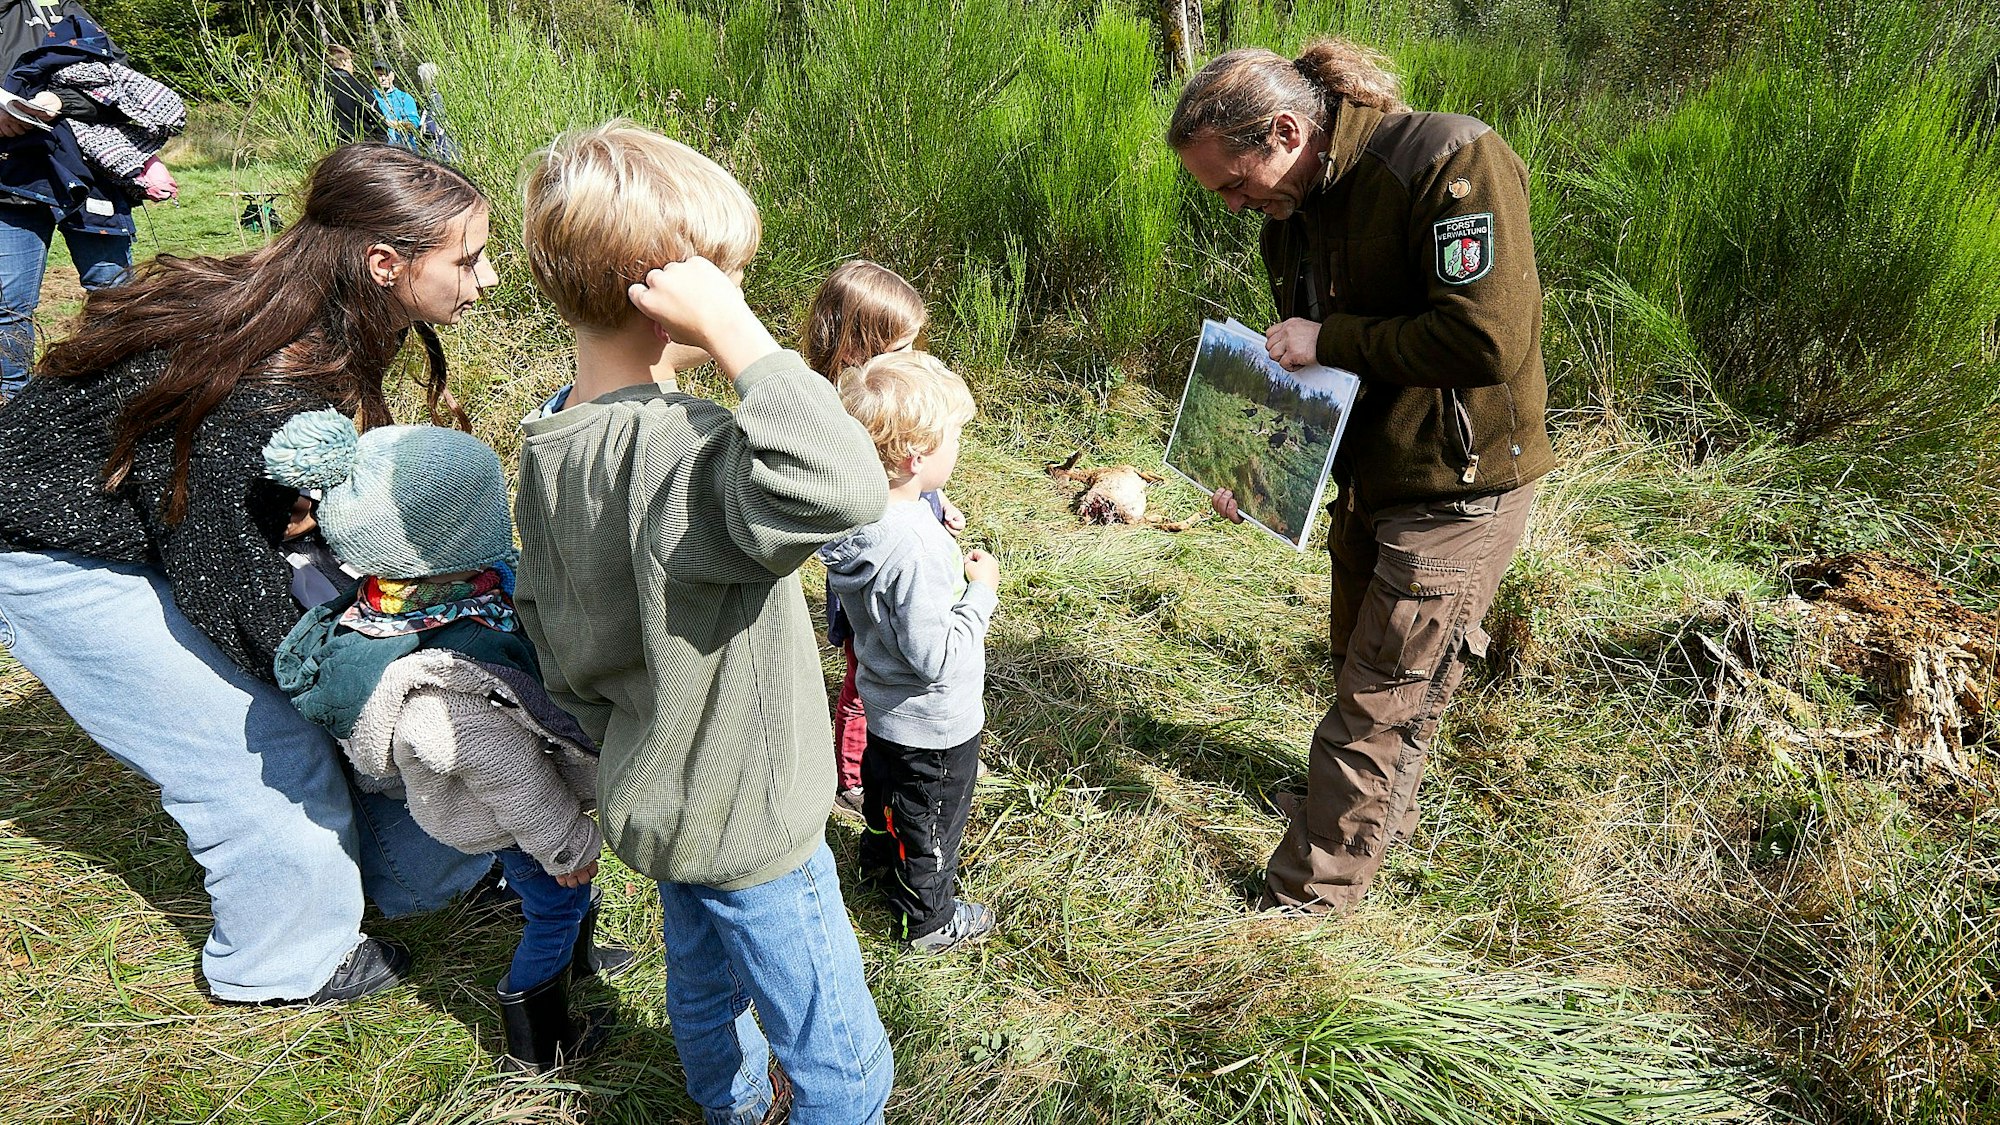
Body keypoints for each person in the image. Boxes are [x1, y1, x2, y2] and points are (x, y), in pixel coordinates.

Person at [0, 143, 503, 1004]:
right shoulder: (266, 380)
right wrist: (361, 678)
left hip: (160, 518)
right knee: (257, 746)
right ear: (384, 263)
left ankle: (420, 877)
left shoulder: (330, 309)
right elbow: (232, 592)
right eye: (468, 258)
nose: (486, 279)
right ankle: (283, 962)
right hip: (53, 548)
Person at [514, 122, 893, 1123]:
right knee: (842, 1064)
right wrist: (745, 344)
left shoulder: (551, 436)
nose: (736, 293)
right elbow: (846, 483)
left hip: (659, 794)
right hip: (753, 819)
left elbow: (543, 621)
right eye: (724, 276)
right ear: (665, 288)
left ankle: (730, 1110)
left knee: (707, 994)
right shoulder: (691, 459)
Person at [1166, 39, 1556, 914]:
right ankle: (1362, 819)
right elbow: (1317, 379)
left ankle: (1306, 904)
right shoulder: (1291, 210)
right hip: (1372, 476)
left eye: (1234, 182)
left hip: (1460, 479)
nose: (1234, 206)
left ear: (1284, 131)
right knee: (1360, 670)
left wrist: (1329, 338)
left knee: (1382, 699)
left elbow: (1488, 340)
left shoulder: (1448, 162)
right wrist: (1261, 470)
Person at [264, 411, 634, 1071]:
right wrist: (566, 841)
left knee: (563, 896)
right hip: (519, 821)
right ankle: (539, 1043)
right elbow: (511, 775)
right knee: (554, 901)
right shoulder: (440, 674)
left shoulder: (436, 594)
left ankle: (577, 963)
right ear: (447, 538)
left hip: (527, 805)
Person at [818, 350, 998, 953]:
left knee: (885, 792)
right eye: (953, 438)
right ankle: (928, 919)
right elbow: (935, 657)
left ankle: (876, 862)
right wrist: (980, 595)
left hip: (884, 707)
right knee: (931, 820)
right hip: (933, 725)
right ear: (915, 456)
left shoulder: (860, 519)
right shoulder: (914, 545)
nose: (959, 448)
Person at [800, 260, 965, 818]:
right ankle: (851, 773)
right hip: (874, 572)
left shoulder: (887, 403)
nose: (912, 356)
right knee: (864, 669)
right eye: (901, 346)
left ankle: (909, 751)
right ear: (858, 348)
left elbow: (907, 479)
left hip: (905, 556)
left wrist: (939, 503)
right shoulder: (839, 420)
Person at [0, 0, 131, 402]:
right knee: (9, 304)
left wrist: (60, 103)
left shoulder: (70, 11)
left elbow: (125, 88)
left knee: (114, 295)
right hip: (12, 182)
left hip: (90, 179)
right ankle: (11, 402)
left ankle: (121, 391)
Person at [321, 44, 375, 145]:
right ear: (345, 62)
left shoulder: (319, 86)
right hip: (360, 146)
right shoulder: (359, 87)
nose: (353, 67)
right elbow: (376, 118)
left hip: (329, 146)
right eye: (351, 62)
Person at [371, 61, 422, 151]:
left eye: (386, 74)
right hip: (379, 149)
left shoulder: (404, 98)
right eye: (379, 75)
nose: (383, 78)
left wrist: (398, 124)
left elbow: (414, 122)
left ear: (392, 76)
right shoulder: (370, 96)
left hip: (403, 148)